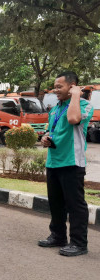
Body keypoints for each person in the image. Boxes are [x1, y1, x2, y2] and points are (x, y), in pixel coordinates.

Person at [39, 71, 94, 256]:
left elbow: (73, 119)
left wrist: (77, 95)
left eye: (59, 86)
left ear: (72, 87)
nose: (55, 90)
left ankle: (79, 243)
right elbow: (51, 130)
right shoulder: (55, 109)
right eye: (55, 86)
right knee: (55, 203)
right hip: (53, 162)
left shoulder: (84, 105)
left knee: (75, 205)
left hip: (72, 162)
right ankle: (58, 236)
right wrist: (45, 138)